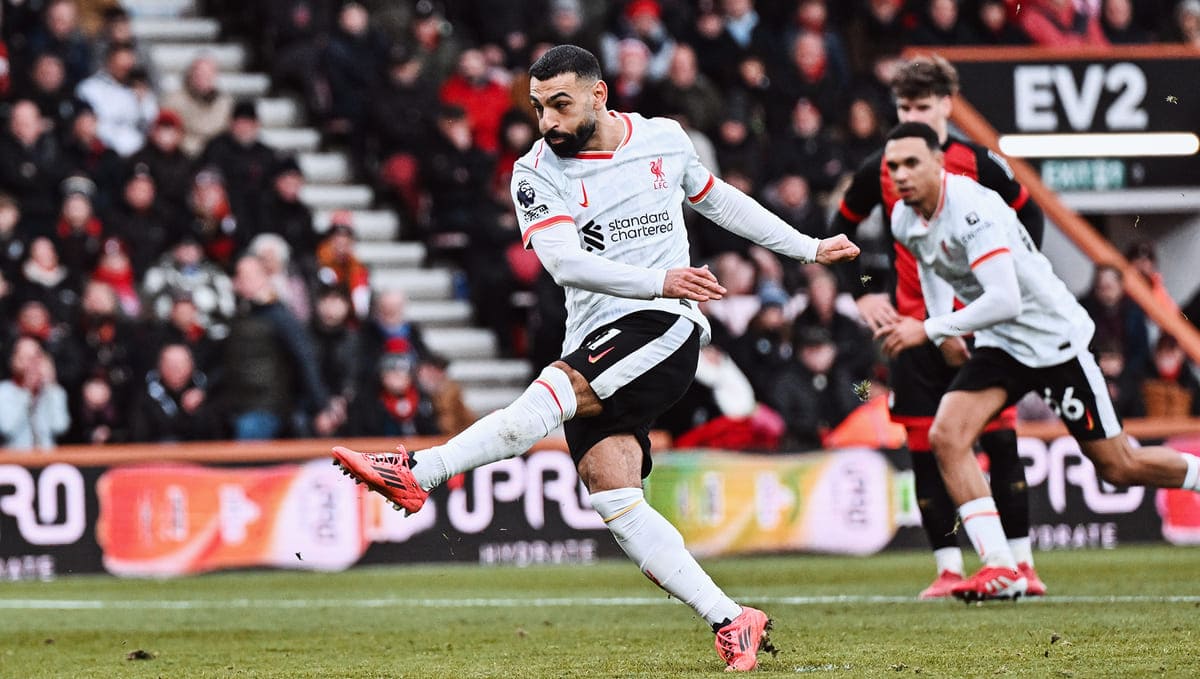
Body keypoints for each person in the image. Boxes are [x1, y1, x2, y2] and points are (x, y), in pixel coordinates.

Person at [330, 45, 860, 672]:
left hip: (664, 327)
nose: (548, 121)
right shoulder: (534, 172)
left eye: (560, 104)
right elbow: (563, 263)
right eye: (537, 108)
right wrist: (662, 277)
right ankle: (731, 619)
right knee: (614, 495)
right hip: (605, 329)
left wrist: (807, 248)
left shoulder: (664, 139)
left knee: (554, 393)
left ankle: (423, 472)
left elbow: (719, 200)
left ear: (599, 95)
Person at [876, 121, 1200, 600]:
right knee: (947, 435)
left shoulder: (973, 209)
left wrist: (928, 328)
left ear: (939, 162)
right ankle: (1002, 568)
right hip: (1001, 344)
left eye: (911, 163)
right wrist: (945, 328)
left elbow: (1005, 298)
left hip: (1054, 342)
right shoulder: (905, 218)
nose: (901, 175)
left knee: (1119, 465)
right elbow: (931, 269)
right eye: (893, 166)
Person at [829, 54, 1047, 599]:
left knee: (999, 441)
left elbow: (1031, 214)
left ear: (948, 105)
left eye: (924, 107)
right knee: (925, 445)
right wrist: (863, 293)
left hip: (982, 326)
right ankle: (949, 568)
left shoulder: (979, 162)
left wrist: (1014, 283)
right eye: (905, 107)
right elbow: (842, 227)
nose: (915, 117)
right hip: (914, 327)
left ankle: (1021, 564)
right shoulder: (883, 166)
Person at [0, 336, 70, 450]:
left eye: (35, 357)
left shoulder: (52, 391)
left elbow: (60, 427)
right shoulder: (4, 391)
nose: (31, 363)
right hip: (14, 459)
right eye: (25, 357)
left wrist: (51, 387)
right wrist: (26, 393)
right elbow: (7, 429)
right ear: (14, 360)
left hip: (47, 458)